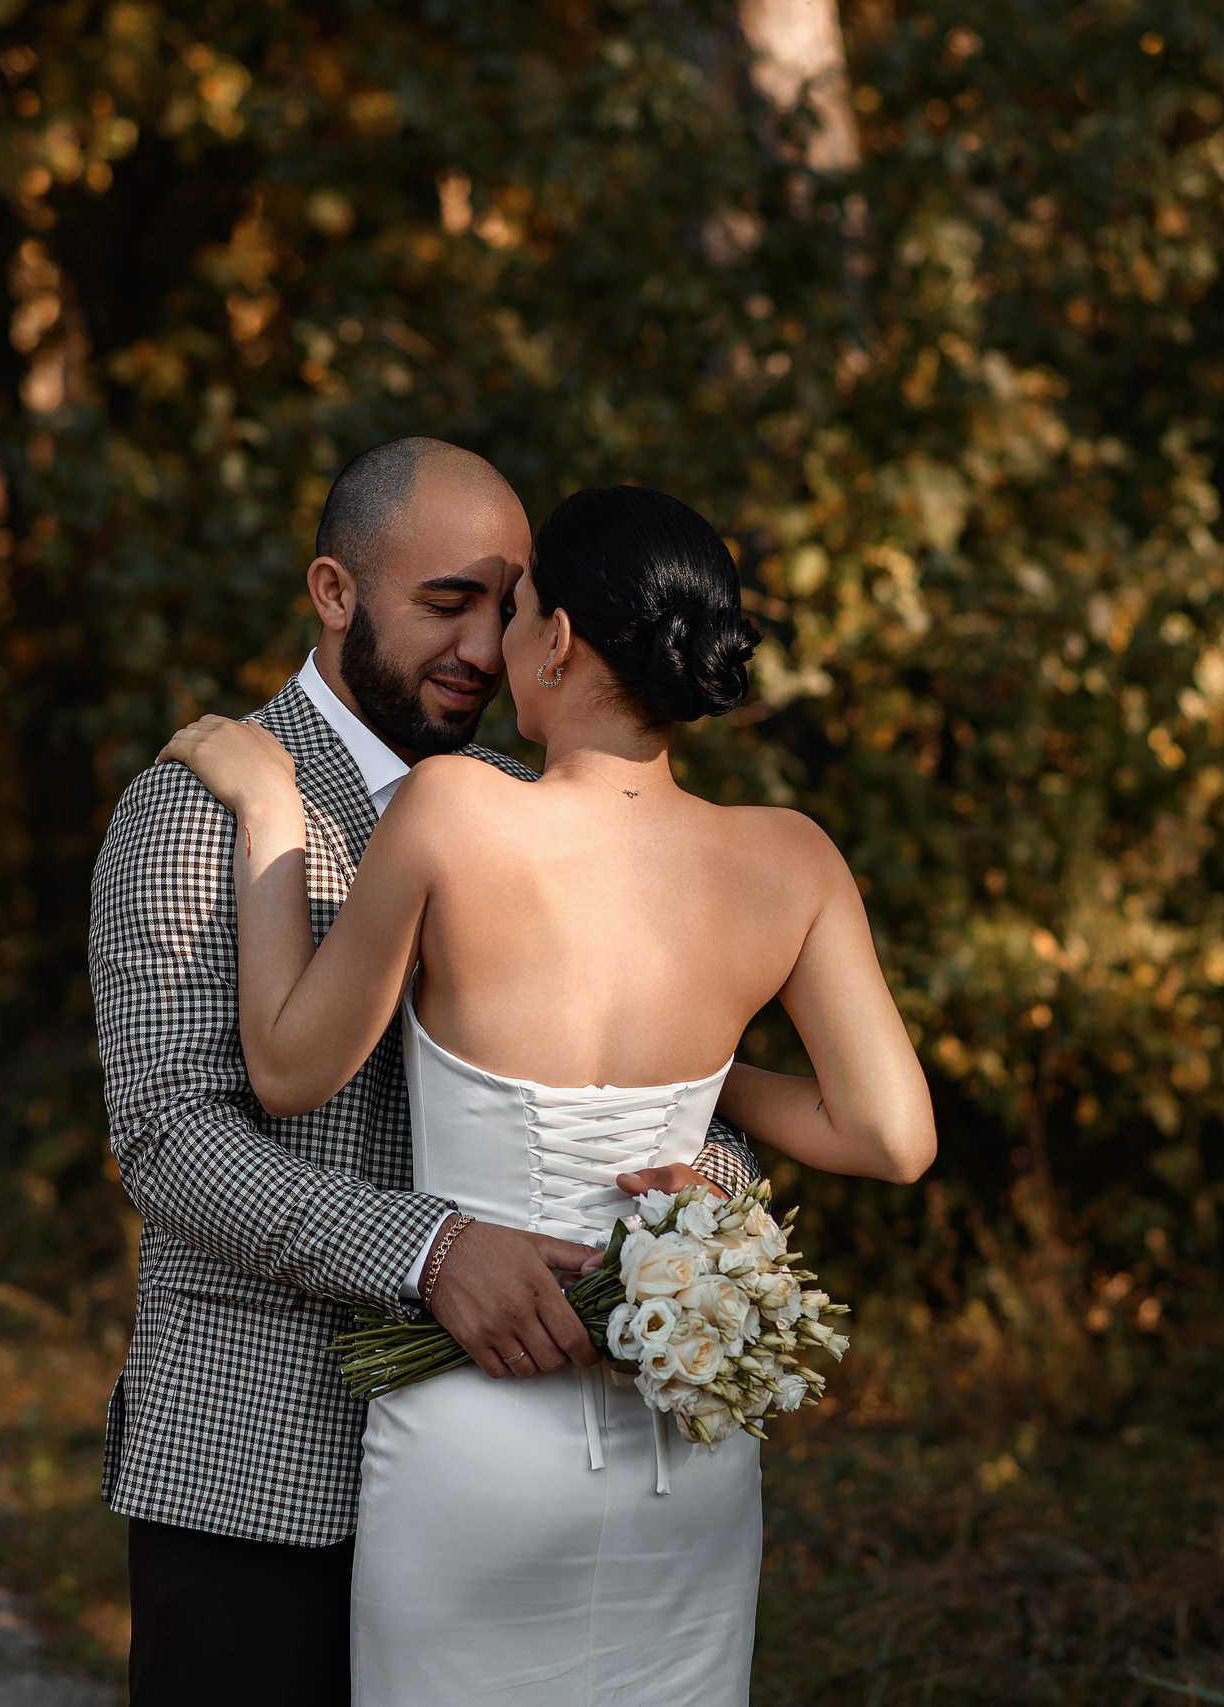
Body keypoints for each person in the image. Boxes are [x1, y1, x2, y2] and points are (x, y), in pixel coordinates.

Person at [161, 481, 936, 1704]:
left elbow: (287, 1067)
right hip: (685, 1446)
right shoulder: (793, 857)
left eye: (513, 611)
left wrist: (268, 813)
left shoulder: (456, 809)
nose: (492, 645)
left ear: (560, 639)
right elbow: (888, 1136)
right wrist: (696, 1074)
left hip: (480, 1436)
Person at [89, 441, 766, 1706]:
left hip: (515, 1479)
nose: (478, 642)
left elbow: (670, 1068)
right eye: (443, 603)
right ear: (336, 592)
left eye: (504, 607)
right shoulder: (197, 809)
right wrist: (428, 1250)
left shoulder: (533, 802)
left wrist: (706, 1186)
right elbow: (172, 1136)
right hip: (261, 1467)